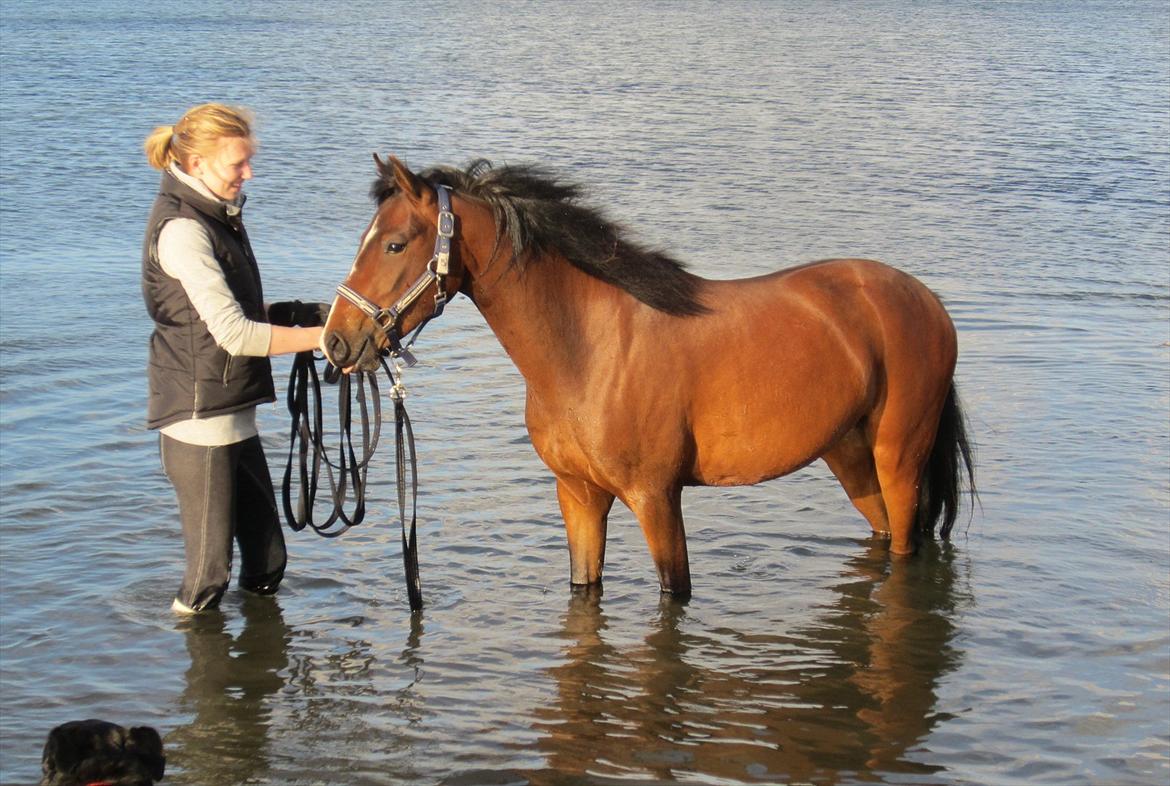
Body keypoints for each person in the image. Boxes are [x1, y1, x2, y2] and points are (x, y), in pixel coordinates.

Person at [141, 103, 327, 614]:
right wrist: (324, 338)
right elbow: (234, 334)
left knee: (268, 563)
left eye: (249, 161)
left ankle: (262, 658)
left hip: (234, 415)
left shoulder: (216, 216)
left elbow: (232, 312)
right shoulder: (183, 231)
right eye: (237, 163)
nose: (248, 173)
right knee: (208, 579)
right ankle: (198, 657)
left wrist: (301, 315)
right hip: (199, 422)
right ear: (197, 163)